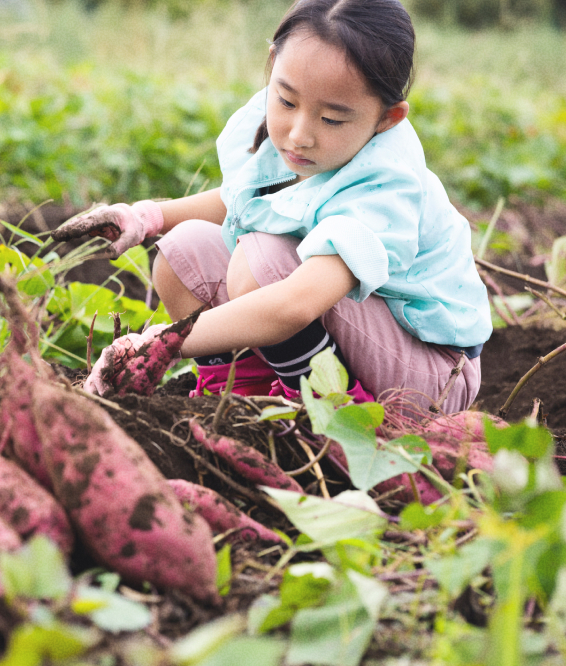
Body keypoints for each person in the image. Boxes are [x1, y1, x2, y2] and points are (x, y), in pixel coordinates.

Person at [53, 0, 491, 414]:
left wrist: (165, 342)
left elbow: (297, 304)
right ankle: (243, 397)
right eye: (286, 100)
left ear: (387, 118)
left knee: (261, 258)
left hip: (429, 374)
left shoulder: (387, 185)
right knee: (183, 250)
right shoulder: (289, 132)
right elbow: (246, 203)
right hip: (358, 334)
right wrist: (146, 216)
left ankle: (330, 412)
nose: (299, 133)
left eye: (332, 119)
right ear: (273, 66)